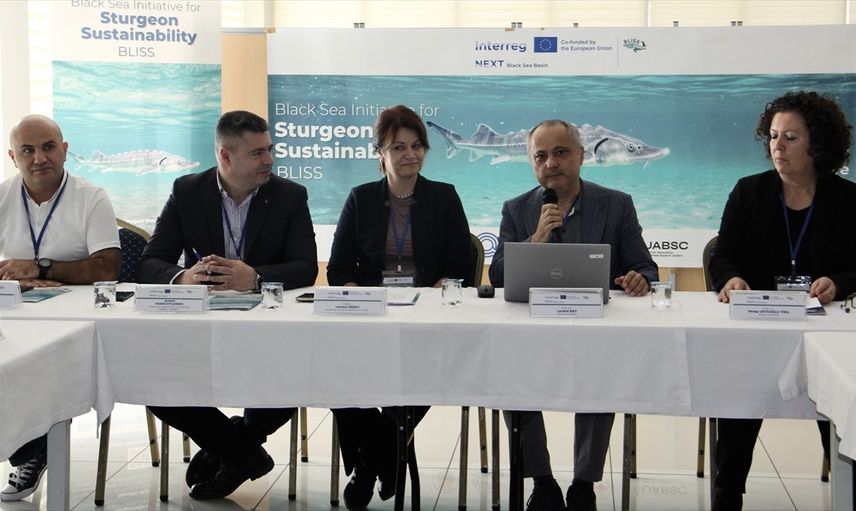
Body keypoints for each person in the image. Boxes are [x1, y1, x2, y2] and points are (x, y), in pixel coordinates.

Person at [139, 110, 318, 500]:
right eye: (257, 153)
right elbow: (151, 262)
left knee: (299, 368)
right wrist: (184, 278)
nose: (269, 159)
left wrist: (254, 277)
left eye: (269, 149)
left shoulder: (290, 196)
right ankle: (240, 452)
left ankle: (236, 444)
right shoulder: (187, 191)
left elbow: (306, 267)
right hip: (200, 330)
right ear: (225, 155)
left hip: (270, 331)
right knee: (152, 380)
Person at [489, 119, 658, 511]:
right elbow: (497, 277)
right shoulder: (517, 208)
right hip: (532, 331)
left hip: (594, 331)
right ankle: (542, 482)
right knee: (509, 373)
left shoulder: (616, 204)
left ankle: (584, 484)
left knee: (603, 372)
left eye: (561, 153)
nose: (551, 163)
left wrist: (640, 279)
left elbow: (645, 266)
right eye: (541, 156)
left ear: (581, 156)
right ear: (532, 163)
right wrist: (535, 239)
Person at [709, 91, 856, 511]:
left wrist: (837, 283)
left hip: (824, 332)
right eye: (773, 136)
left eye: (790, 138)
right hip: (756, 329)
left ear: (818, 144)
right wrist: (732, 278)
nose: (778, 146)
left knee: (840, 406)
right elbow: (722, 255)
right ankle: (727, 494)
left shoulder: (848, 200)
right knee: (738, 401)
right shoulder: (749, 192)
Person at [326, 104, 475, 510]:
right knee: (335, 373)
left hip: (427, 318)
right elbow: (339, 268)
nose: (410, 154)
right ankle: (387, 453)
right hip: (372, 316)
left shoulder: (444, 197)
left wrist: (430, 297)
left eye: (417, 146)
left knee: (423, 368)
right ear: (380, 153)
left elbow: (461, 267)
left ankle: (368, 465)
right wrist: (362, 300)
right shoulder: (360, 199)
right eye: (398, 147)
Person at [0, 114, 121, 501]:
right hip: (18, 311)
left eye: (48, 147)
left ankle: (35, 448)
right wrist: (14, 276)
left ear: (65, 150)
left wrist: (40, 267)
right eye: (27, 150)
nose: (39, 158)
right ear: (13, 157)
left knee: (43, 362)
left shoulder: (91, 196)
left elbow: (107, 269)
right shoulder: (2, 196)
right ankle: (32, 447)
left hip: (78, 319)